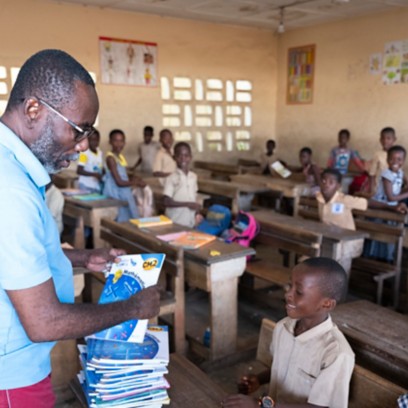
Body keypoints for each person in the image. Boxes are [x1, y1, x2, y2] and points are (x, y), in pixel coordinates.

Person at [0, 49, 160, 406]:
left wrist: (82, 258)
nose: (84, 144)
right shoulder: (9, 189)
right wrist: (132, 308)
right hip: (10, 381)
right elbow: (43, 322)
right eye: (79, 129)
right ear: (33, 110)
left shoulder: (9, 167)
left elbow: (12, 260)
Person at [222, 257, 355, 408]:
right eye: (289, 285)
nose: (288, 294)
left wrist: (261, 405)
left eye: (298, 291)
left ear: (326, 303)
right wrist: (259, 379)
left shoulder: (335, 353)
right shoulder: (283, 327)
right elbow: (283, 366)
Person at [103, 129, 146, 222]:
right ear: (110, 142)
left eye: (121, 141)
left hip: (124, 191)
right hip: (116, 193)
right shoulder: (111, 158)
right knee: (121, 218)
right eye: (116, 141)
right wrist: (135, 183)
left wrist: (134, 178)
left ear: (124, 142)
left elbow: (123, 174)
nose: (119, 144)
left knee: (129, 216)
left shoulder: (120, 157)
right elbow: (119, 182)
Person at [163, 142, 201, 228]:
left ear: (190, 157)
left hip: (190, 221)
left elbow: (194, 197)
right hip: (175, 220)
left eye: (186, 156)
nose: (183, 159)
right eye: (179, 156)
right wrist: (188, 204)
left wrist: (197, 213)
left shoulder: (193, 177)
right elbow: (166, 202)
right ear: (174, 158)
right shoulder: (171, 178)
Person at [367, 127, 396, 196]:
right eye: (383, 138)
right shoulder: (377, 155)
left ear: (394, 139)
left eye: (388, 138)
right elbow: (372, 174)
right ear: (380, 140)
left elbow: (400, 172)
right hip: (380, 190)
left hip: (395, 189)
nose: (385, 141)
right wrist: (371, 191)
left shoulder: (397, 154)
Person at [77, 128, 104, 193]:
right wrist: (95, 174)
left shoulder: (99, 152)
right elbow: (79, 170)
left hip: (95, 185)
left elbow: (100, 166)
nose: (95, 142)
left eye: (97, 140)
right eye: (92, 140)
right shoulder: (84, 153)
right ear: (88, 140)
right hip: (85, 185)